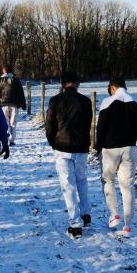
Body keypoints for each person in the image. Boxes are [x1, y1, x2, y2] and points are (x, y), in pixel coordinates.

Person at [95, 78, 137, 236]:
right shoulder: (136, 102)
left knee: (108, 180)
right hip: (129, 148)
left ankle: (114, 215)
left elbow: (101, 129)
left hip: (110, 149)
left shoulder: (107, 102)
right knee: (128, 186)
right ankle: (127, 226)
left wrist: (98, 148)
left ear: (112, 88)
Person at [45, 71, 92, 238]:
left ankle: (75, 222)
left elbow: (49, 125)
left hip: (62, 147)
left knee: (68, 185)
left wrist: (53, 142)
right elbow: (88, 124)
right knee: (82, 180)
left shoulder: (55, 101)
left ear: (62, 83)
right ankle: (86, 213)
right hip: (81, 147)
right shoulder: (86, 101)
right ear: (77, 83)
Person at [0, 65, 26, 146]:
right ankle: (12, 140)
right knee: (13, 123)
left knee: (5, 123)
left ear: (4, 71)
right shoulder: (15, 80)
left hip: (3, 104)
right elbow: (20, 92)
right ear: (11, 71)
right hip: (14, 105)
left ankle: (5, 139)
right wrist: (23, 104)